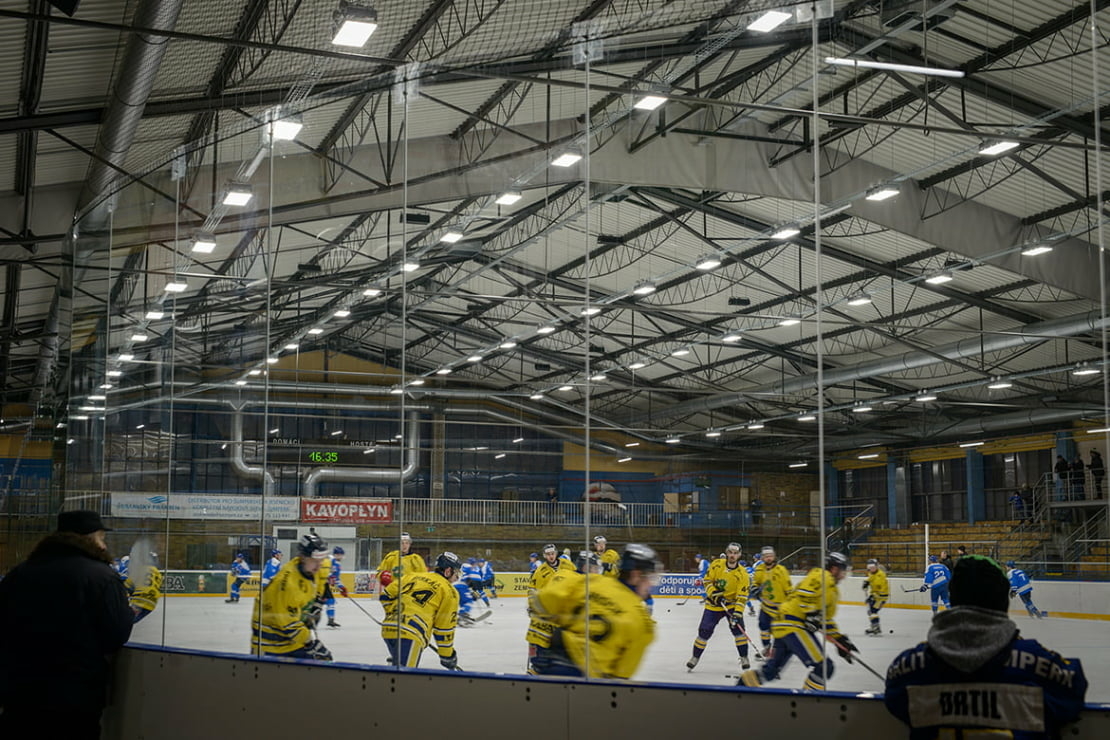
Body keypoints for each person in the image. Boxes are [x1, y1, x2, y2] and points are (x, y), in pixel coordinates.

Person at [885, 555, 1086, 739]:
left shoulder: (909, 667)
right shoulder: (1036, 663)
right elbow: (1073, 690)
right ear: (1001, 602)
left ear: (954, 600)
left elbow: (896, 704)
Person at [0, 510, 133, 738]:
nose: (103, 546)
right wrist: (131, 610)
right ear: (89, 538)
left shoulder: (19, 574)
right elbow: (115, 634)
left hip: (18, 693)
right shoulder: (101, 577)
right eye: (101, 538)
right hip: (73, 696)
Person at [530, 544, 659, 679]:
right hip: (590, 685)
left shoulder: (588, 581)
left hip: (552, 667)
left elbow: (542, 603)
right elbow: (620, 677)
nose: (651, 584)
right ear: (636, 575)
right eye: (650, 577)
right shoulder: (643, 623)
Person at [739, 552, 856, 692]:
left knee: (770, 671)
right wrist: (811, 614)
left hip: (783, 625)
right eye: (843, 570)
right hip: (793, 625)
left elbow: (824, 619)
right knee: (824, 668)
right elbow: (804, 594)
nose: (844, 575)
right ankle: (809, 703)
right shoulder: (821, 577)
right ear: (834, 569)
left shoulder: (830, 586)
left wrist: (839, 639)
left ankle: (740, 687)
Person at [250, 533, 333, 661]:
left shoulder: (314, 568)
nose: (319, 564)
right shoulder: (287, 584)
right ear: (303, 557)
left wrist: (318, 603)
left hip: (293, 640)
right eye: (315, 560)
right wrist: (310, 643)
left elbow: (322, 581)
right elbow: (289, 624)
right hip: (270, 644)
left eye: (321, 559)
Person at [380, 551, 462, 670]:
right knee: (402, 680)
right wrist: (447, 655)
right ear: (448, 571)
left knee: (396, 671)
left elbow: (386, 595)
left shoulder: (413, 576)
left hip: (389, 628)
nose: (457, 577)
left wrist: (394, 615)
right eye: (456, 573)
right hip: (411, 634)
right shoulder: (450, 592)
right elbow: (444, 627)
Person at [685, 542, 753, 671]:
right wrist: (714, 593)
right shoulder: (717, 564)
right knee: (704, 632)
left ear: (739, 555)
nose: (732, 555)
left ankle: (744, 657)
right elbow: (707, 580)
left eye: (735, 553)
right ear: (727, 553)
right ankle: (695, 657)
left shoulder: (742, 574)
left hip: (731, 606)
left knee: (739, 631)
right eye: (730, 552)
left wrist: (737, 613)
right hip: (713, 605)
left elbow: (742, 596)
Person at [525, 544, 576, 674]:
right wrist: (532, 605)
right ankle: (539, 664)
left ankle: (567, 661)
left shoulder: (567, 565)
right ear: (544, 555)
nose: (550, 556)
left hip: (567, 608)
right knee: (545, 636)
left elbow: (578, 581)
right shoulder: (540, 571)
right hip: (550, 610)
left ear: (556, 553)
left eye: (552, 553)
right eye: (548, 554)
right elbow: (532, 589)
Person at [751, 545, 792, 660]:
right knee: (763, 627)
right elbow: (755, 583)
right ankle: (767, 648)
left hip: (780, 608)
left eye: (771, 556)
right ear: (763, 558)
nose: (769, 558)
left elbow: (789, 590)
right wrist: (754, 588)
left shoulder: (781, 571)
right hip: (765, 607)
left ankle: (779, 650)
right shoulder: (760, 569)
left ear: (774, 557)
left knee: (779, 631)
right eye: (766, 556)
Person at [126, 553, 163, 623]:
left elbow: (127, 585)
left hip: (139, 600)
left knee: (125, 621)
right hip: (152, 603)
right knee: (131, 621)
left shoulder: (140, 569)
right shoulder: (158, 573)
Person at [862, 558, 889, 635]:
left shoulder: (880, 575)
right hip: (875, 596)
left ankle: (876, 627)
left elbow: (882, 590)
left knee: (873, 611)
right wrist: (867, 582)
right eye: (869, 567)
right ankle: (874, 626)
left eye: (873, 566)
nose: (871, 568)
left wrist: (872, 596)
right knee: (871, 611)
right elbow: (871, 579)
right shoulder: (872, 573)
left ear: (877, 566)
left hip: (881, 597)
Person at [325, 546, 345, 628]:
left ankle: (331, 620)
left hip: (323, 584)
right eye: (341, 555)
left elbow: (336, 579)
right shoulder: (330, 560)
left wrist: (342, 588)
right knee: (329, 601)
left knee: (330, 601)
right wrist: (329, 577)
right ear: (337, 554)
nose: (342, 557)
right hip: (319, 584)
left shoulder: (337, 563)